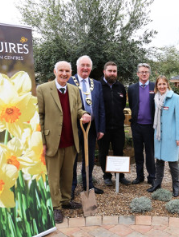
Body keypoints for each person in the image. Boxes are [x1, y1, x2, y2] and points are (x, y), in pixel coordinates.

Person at [37, 61, 91, 224]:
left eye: (67, 71)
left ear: (71, 72)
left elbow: (78, 109)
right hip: (52, 140)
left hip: (70, 139)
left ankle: (66, 200)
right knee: (53, 177)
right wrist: (42, 141)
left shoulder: (75, 90)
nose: (64, 73)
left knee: (68, 174)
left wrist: (84, 114)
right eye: (61, 70)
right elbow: (39, 116)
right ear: (55, 71)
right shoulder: (43, 89)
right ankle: (56, 207)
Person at [68, 55, 106, 197]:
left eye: (88, 65)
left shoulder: (96, 84)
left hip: (91, 127)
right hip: (74, 127)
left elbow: (101, 107)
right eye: (82, 65)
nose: (85, 68)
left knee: (88, 157)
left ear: (91, 68)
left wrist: (101, 128)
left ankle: (88, 185)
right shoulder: (69, 81)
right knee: (72, 157)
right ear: (77, 67)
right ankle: (70, 187)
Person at [147, 75, 179, 197]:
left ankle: (176, 187)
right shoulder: (156, 99)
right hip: (159, 136)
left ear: (168, 85)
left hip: (171, 136)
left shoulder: (175, 98)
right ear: (156, 86)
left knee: (173, 163)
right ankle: (157, 184)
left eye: (164, 84)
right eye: (159, 84)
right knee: (159, 162)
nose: (162, 86)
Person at [98, 61, 131, 186]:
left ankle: (120, 175)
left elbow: (121, 105)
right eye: (110, 71)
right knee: (103, 152)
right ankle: (107, 176)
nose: (112, 73)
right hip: (103, 127)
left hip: (118, 127)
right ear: (104, 71)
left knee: (119, 151)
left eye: (114, 71)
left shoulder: (120, 87)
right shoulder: (98, 86)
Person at [128, 63, 156, 188]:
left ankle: (152, 176)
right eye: (141, 72)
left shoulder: (154, 86)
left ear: (149, 73)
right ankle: (139, 176)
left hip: (150, 126)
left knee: (150, 152)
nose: (144, 74)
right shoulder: (132, 88)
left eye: (146, 72)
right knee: (138, 152)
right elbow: (132, 104)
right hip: (137, 126)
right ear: (137, 74)